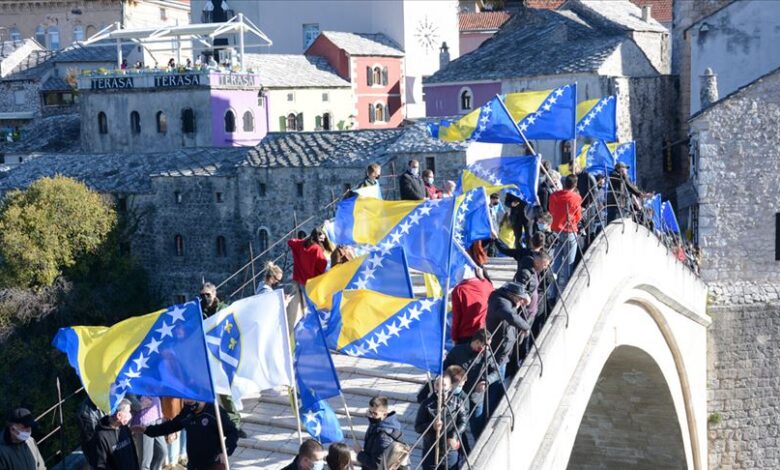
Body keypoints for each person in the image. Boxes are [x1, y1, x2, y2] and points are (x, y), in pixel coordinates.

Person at [140, 400, 238, 470]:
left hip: (212, 463)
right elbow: (171, 426)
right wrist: (147, 430)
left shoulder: (214, 411)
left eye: (190, 398)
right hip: (193, 463)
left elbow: (233, 432)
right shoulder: (188, 411)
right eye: (185, 399)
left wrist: (225, 451)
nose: (187, 401)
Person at [442, 330, 497, 439]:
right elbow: (445, 368)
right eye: (485, 345)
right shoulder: (457, 351)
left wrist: (486, 381)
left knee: (477, 427)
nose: (487, 348)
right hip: (457, 398)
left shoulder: (487, 355)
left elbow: (496, 371)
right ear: (477, 342)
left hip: (475, 398)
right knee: (457, 428)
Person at [485, 282, 531, 410]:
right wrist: (526, 327)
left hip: (505, 348)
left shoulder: (507, 300)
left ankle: (495, 404)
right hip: (499, 348)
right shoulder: (500, 302)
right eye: (520, 299)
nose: (521, 302)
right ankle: (492, 409)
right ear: (512, 296)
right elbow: (510, 316)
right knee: (497, 381)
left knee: (500, 379)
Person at [415, 366, 469, 470]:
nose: (440, 388)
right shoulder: (426, 405)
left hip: (449, 451)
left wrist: (454, 435)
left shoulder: (457, 403)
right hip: (431, 450)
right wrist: (432, 426)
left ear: (450, 386)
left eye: (443, 385)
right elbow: (418, 427)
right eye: (437, 384)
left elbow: (463, 421)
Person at [548, 175, 582, 297]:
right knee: (569, 265)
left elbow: (551, 211)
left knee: (555, 265)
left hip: (555, 232)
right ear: (575, 185)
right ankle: (565, 294)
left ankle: (552, 294)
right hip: (569, 231)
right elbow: (578, 216)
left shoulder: (553, 196)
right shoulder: (576, 197)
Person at [287, 228, 328, 328]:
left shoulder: (301, 244)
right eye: (322, 238)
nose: (323, 240)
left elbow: (290, 242)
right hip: (311, 283)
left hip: (300, 280)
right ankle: (316, 325)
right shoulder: (316, 249)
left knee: (308, 306)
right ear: (318, 237)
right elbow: (323, 265)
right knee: (314, 305)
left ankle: (311, 323)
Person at [355, 396, 402, 470]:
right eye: (369, 412)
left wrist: (360, 453)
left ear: (385, 414)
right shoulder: (377, 424)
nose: (371, 415)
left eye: (375, 413)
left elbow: (377, 466)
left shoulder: (384, 436)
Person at [92, 399, 138, 470]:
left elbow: (133, 451)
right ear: (119, 415)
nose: (130, 414)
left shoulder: (124, 427)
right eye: (128, 412)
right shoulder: (101, 436)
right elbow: (101, 465)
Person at [450, 274, 494, 344]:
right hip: (484, 332)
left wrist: (454, 337)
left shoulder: (459, 289)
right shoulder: (487, 284)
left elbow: (457, 317)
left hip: (466, 334)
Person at [128, 395, 166, 470]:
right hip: (144, 420)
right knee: (145, 461)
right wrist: (139, 405)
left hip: (157, 418)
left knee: (161, 452)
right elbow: (128, 392)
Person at [76, 397, 105, 467]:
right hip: (98, 454)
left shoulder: (102, 402)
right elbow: (94, 439)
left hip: (103, 449)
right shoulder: (85, 413)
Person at [160, 397, 187, 470]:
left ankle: (178, 459)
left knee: (178, 436)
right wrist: (171, 416)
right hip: (172, 412)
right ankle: (171, 463)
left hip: (182, 409)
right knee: (172, 438)